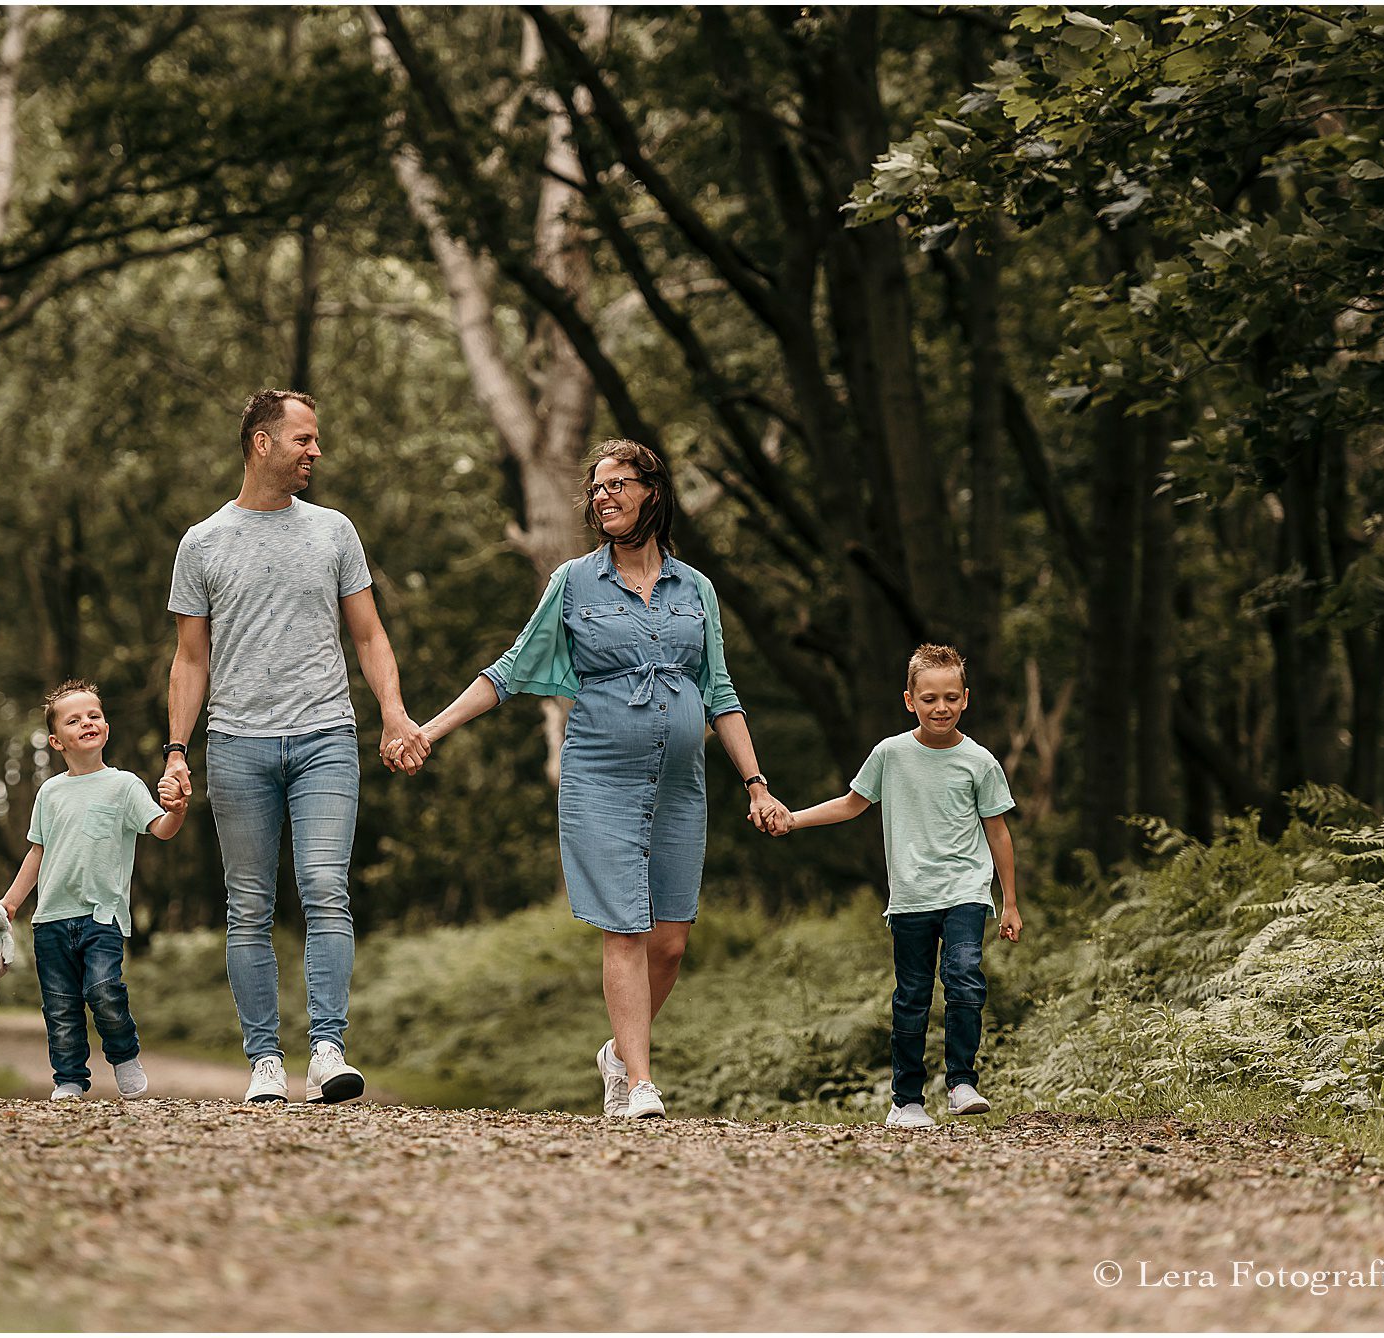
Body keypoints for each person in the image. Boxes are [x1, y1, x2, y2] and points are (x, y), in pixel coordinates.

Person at [401, 439, 787, 1119]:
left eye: (617, 484)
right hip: (600, 775)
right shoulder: (575, 582)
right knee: (625, 930)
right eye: (596, 488)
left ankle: (616, 1050)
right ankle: (639, 1083)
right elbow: (509, 670)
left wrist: (756, 782)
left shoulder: (694, 588)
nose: (602, 497)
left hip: (680, 785)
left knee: (671, 940)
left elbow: (720, 691)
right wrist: (428, 730)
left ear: (652, 493)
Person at [162, 389, 429, 1106]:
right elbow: (191, 660)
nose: (316, 452)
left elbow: (370, 636)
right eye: (304, 439)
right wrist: (176, 751)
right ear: (261, 443)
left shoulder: (334, 532)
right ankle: (264, 1062)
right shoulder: (204, 543)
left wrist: (395, 714)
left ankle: (327, 1050)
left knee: (325, 889)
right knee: (248, 905)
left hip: (325, 737)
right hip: (237, 743)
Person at [767, 643, 1021, 1128]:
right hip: (910, 895)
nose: (940, 707)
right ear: (910, 701)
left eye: (950, 697)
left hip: (967, 888)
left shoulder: (980, 761)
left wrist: (1009, 902)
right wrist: (793, 820)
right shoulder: (891, 754)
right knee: (912, 995)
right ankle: (906, 1102)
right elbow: (850, 804)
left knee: (965, 976)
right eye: (929, 699)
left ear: (965, 699)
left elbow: (998, 832)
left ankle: (962, 1082)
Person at [0, 678, 187, 1100]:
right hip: (51, 920)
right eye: (74, 719)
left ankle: (123, 1054)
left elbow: (161, 830)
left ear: (106, 727)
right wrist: (11, 903)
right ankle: (69, 1078)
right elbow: (36, 854)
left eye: (94, 715)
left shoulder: (125, 786)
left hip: (102, 915)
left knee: (104, 991)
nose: (87, 722)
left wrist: (176, 811)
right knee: (61, 1008)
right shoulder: (50, 792)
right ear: (56, 741)